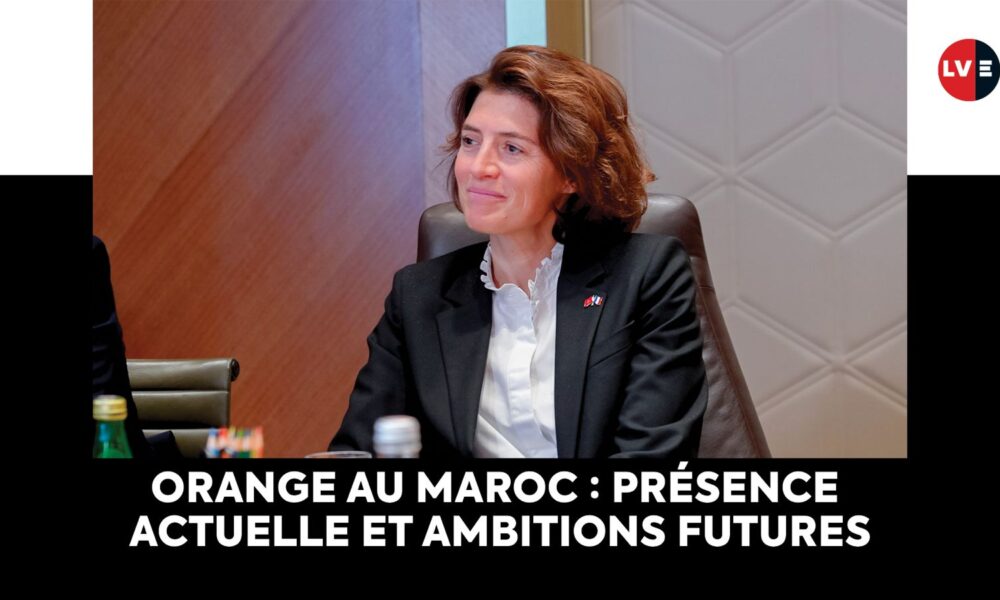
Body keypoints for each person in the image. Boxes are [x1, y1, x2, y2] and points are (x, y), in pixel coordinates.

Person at [329, 45, 707, 458]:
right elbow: (357, 454)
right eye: (470, 141)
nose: (479, 167)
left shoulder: (646, 275)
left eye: (511, 148)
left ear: (571, 173)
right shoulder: (418, 296)